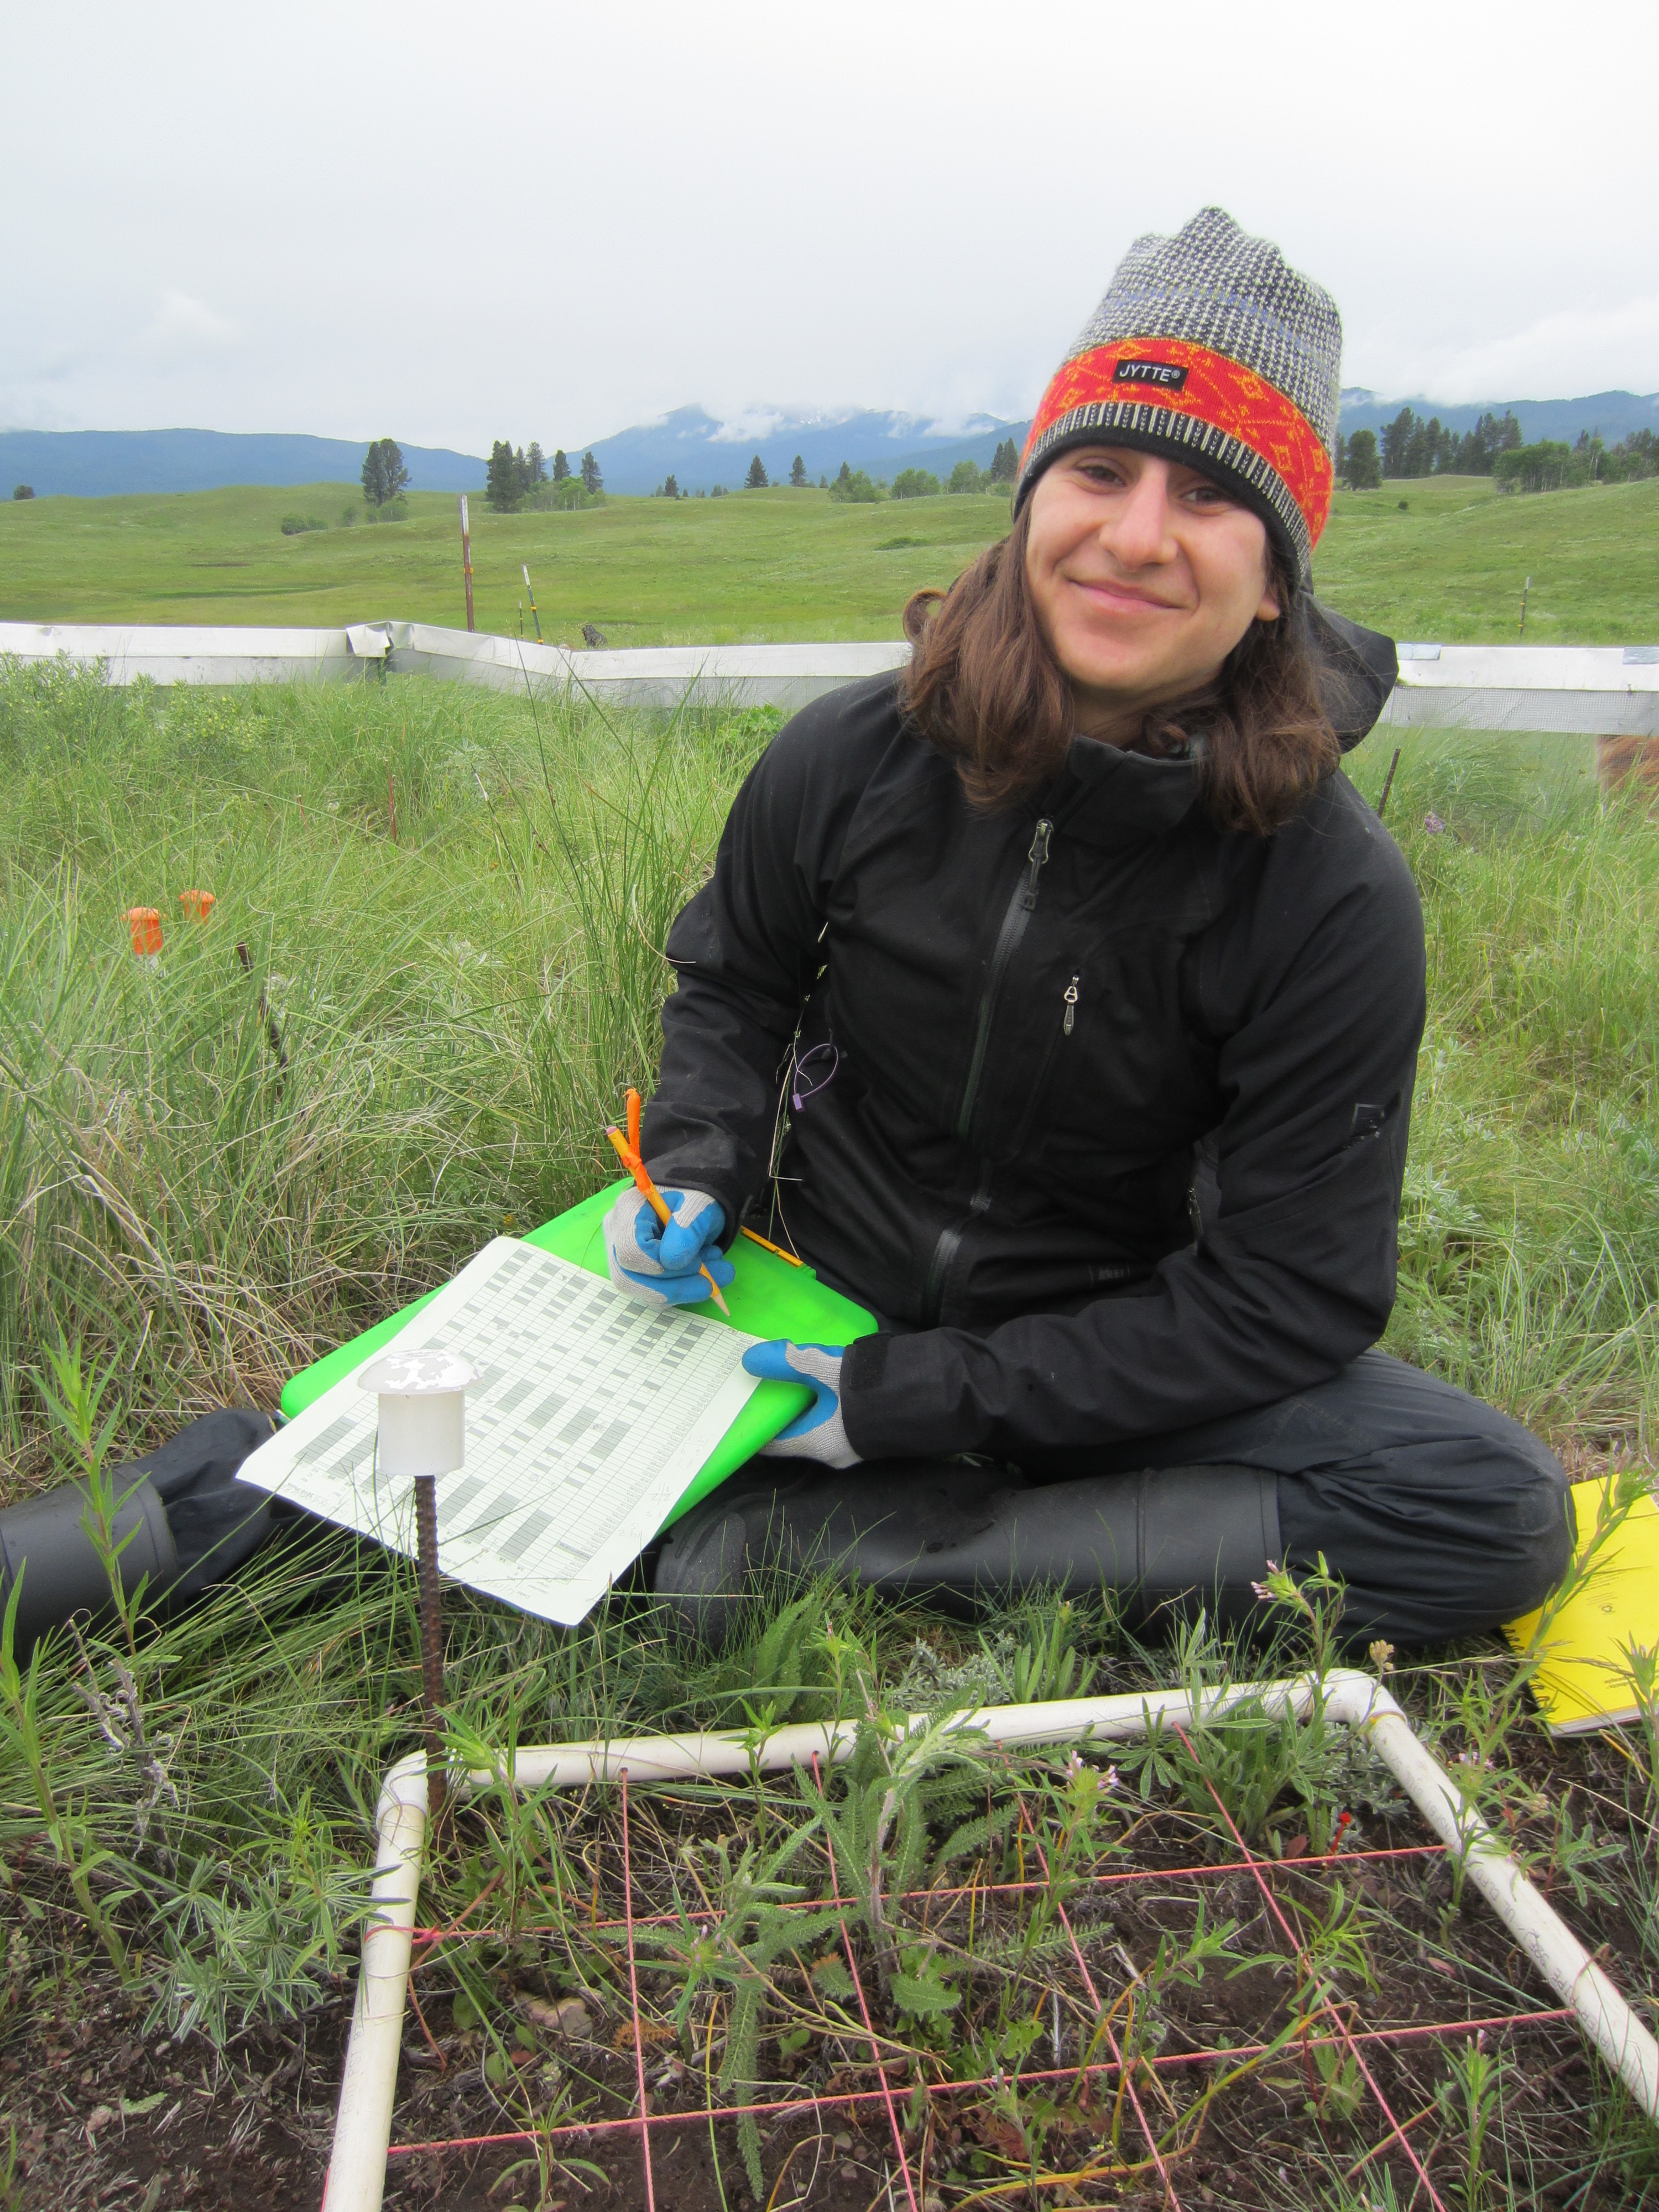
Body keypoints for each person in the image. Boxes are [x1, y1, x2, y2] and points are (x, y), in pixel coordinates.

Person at [603, 208, 1574, 1649]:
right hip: (805, 1303)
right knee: (430, 1409)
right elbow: (735, 984)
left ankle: (854, 1554)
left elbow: (1287, 1299)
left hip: (1110, 1365)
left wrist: (914, 1408)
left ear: (1275, 580)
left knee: (1487, 1506)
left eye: (1205, 498)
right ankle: (159, 1534)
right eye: (1103, 471)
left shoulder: (1332, 893)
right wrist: (693, 1164)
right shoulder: (850, 755)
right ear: (1033, 492)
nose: (1134, 537)